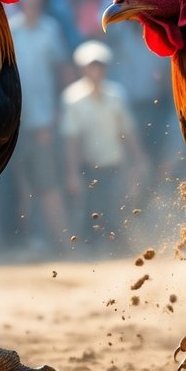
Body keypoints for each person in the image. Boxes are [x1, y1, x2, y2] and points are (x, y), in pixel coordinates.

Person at [61, 40, 146, 251]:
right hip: (89, 167)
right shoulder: (72, 98)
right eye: (92, 66)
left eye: (100, 65)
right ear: (83, 68)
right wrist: (72, 172)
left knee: (117, 206)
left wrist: (138, 158)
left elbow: (127, 131)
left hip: (115, 163)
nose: (96, 70)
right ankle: (94, 249)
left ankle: (119, 247)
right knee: (92, 208)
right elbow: (72, 139)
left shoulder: (116, 94)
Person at [8, 0, 72, 250]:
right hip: (14, 122)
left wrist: (59, 111)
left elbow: (63, 71)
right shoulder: (10, 30)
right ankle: (30, 241)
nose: (32, 3)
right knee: (20, 185)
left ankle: (63, 242)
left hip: (43, 120)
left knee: (46, 182)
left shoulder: (50, 30)